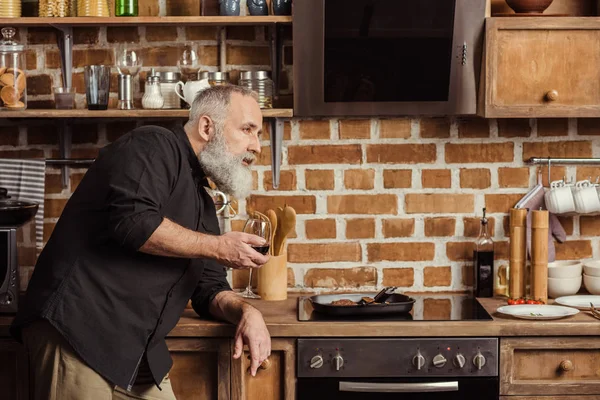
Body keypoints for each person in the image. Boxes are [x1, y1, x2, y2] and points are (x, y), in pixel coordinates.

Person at [10, 85, 272, 399]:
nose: (256, 146)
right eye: (248, 130)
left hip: (136, 355)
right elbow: (132, 222)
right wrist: (218, 246)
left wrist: (247, 313)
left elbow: (209, 289)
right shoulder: (153, 144)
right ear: (207, 127)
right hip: (78, 332)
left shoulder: (202, 201)